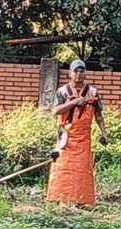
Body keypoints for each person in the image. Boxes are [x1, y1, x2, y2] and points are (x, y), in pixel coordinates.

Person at [46, 58, 108, 207]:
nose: (79, 74)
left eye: (82, 71)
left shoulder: (92, 92)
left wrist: (104, 133)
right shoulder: (62, 92)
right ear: (70, 74)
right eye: (76, 71)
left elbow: (98, 115)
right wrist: (74, 102)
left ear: (85, 73)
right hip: (66, 137)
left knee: (82, 169)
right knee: (62, 168)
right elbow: (55, 111)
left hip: (84, 137)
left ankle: (81, 200)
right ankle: (59, 198)